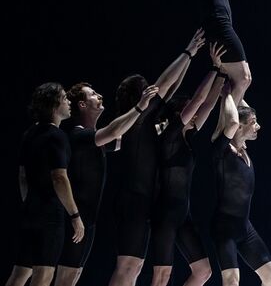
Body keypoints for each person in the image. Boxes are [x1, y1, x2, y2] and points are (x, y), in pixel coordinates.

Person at [108, 30, 206, 286]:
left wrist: (189, 59)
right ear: (137, 95)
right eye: (146, 88)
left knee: (134, 267)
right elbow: (164, 83)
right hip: (133, 199)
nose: (152, 91)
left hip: (143, 200)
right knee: (127, 266)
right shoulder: (137, 118)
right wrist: (189, 52)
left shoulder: (148, 119)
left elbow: (171, 87)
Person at [53, 82, 159, 286]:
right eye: (93, 94)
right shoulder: (78, 136)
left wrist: (163, 127)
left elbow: (128, 138)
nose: (99, 95)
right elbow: (113, 131)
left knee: (73, 277)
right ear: (82, 105)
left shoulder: (96, 140)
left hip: (87, 221)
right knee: (65, 279)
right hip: (74, 220)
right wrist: (140, 106)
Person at [150, 43, 229, 286]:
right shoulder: (171, 134)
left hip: (183, 214)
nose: (195, 114)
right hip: (164, 212)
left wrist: (222, 73)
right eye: (188, 111)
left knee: (203, 271)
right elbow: (198, 100)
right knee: (161, 276)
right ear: (179, 114)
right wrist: (214, 67)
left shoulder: (189, 134)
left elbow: (209, 104)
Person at [6, 83, 84, 286]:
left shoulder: (29, 134)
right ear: (54, 105)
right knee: (44, 273)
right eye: (64, 98)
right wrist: (75, 215)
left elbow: (22, 176)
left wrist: (30, 202)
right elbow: (59, 177)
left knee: (20, 272)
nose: (69, 102)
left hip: (30, 209)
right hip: (50, 214)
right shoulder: (57, 136)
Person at [209, 92, 271, 286]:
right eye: (254, 123)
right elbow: (232, 120)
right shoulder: (222, 149)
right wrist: (227, 93)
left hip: (244, 227)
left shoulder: (243, 149)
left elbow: (243, 112)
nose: (258, 126)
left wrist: (240, 86)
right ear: (239, 127)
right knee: (232, 281)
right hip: (224, 228)